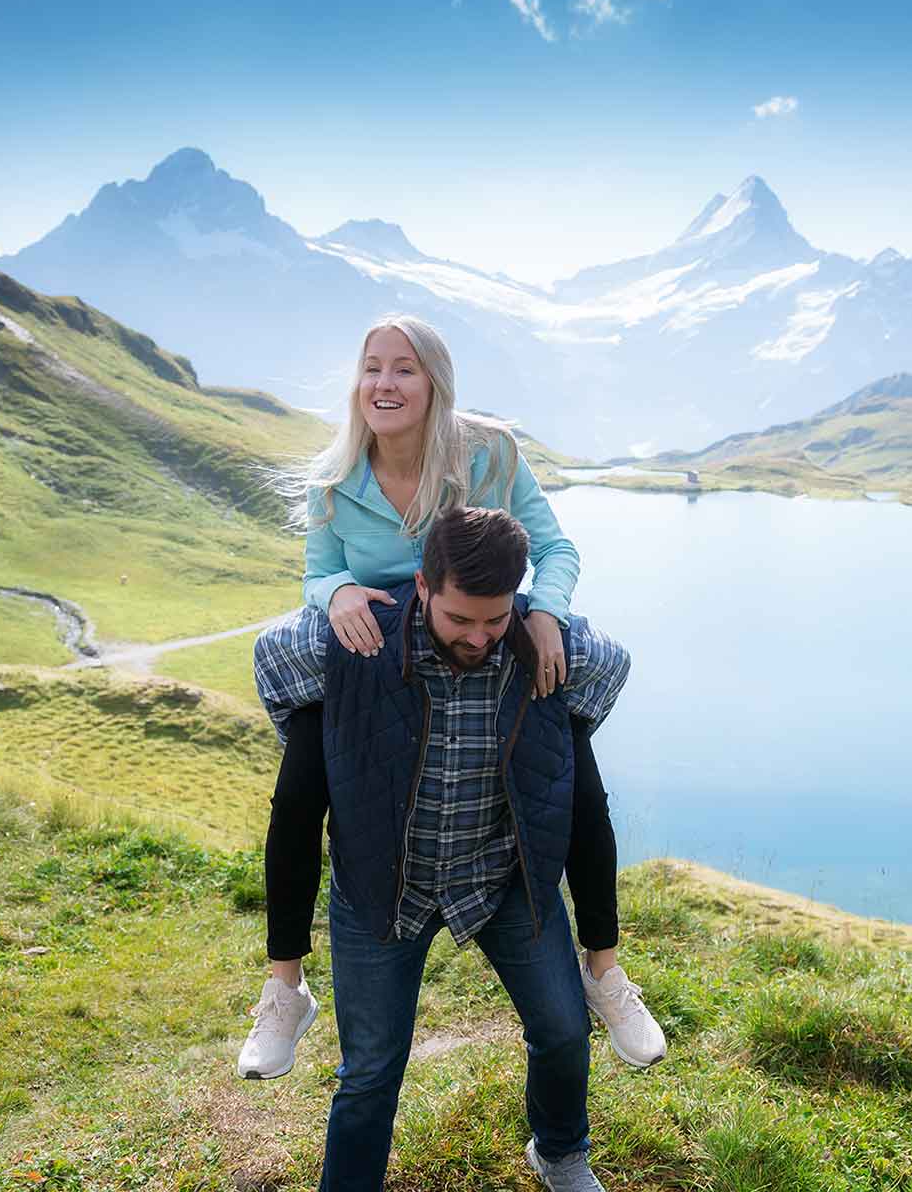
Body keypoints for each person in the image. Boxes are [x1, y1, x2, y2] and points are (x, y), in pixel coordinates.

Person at [238, 315, 664, 1076]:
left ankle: (603, 970)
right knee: (301, 788)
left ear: (435, 383)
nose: (384, 384)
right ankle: (284, 988)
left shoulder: (487, 451)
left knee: (574, 773)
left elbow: (555, 546)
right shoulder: (334, 475)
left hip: (480, 629)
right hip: (374, 652)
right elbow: (317, 569)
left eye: (404, 369)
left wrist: (546, 613)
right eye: (372, 367)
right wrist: (334, 591)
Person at [261, 506, 618, 1191]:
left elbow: (584, 787)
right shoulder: (349, 645)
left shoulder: (544, 648)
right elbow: (296, 799)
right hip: (383, 885)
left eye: (496, 619)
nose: (480, 637)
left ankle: (561, 1154)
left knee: (566, 1031)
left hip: (500, 877)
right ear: (423, 586)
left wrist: (541, 622)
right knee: (369, 1071)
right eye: (461, 620)